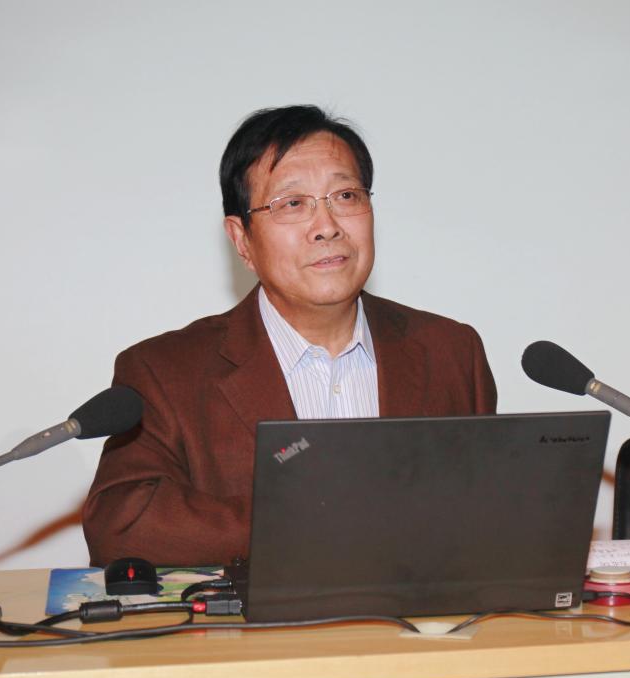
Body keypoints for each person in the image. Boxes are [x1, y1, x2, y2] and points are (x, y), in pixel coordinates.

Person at [82, 105, 497, 566]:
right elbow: (121, 523)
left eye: (346, 195)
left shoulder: (450, 352)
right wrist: (313, 523)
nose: (327, 227)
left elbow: (486, 517)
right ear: (242, 240)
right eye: (292, 204)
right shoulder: (165, 371)